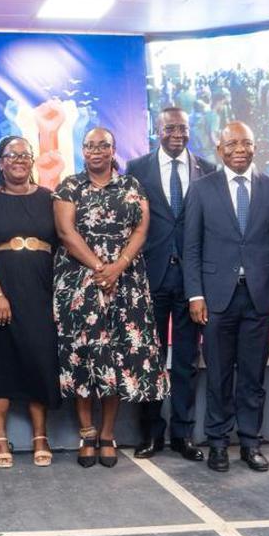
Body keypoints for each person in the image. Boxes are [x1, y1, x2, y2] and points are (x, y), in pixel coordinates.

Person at [183, 121, 269, 473]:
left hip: (260, 298)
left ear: (255, 147)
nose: (239, 150)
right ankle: (217, 443)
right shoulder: (202, 189)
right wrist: (195, 294)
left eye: (246, 143)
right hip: (215, 299)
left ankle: (250, 442)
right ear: (220, 150)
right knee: (217, 375)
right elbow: (192, 247)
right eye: (231, 144)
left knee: (252, 377)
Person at [53, 127, 166, 469]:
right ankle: (86, 433)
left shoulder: (131, 186)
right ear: (82, 150)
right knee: (85, 356)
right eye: (90, 146)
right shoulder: (68, 186)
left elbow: (141, 230)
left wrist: (118, 266)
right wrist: (101, 267)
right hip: (80, 282)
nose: (96, 151)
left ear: (113, 149)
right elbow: (65, 232)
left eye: (103, 145)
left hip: (126, 282)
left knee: (117, 357)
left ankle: (106, 435)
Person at [126, 107, 216, 462]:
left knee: (186, 361)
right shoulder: (137, 170)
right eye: (169, 128)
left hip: (192, 282)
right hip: (151, 276)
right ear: (156, 131)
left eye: (183, 127)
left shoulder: (207, 169)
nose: (177, 133)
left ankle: (183, 434)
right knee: (148, 359)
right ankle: (150, 433)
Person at [0, 135, 59, 468]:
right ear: (0, 162)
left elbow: (62, 245)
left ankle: (40, 435)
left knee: (39, 359)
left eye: (25, 154)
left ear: (32, 161)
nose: (19, 159)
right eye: (12, 155)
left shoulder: (50, 198)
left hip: (40, 292)